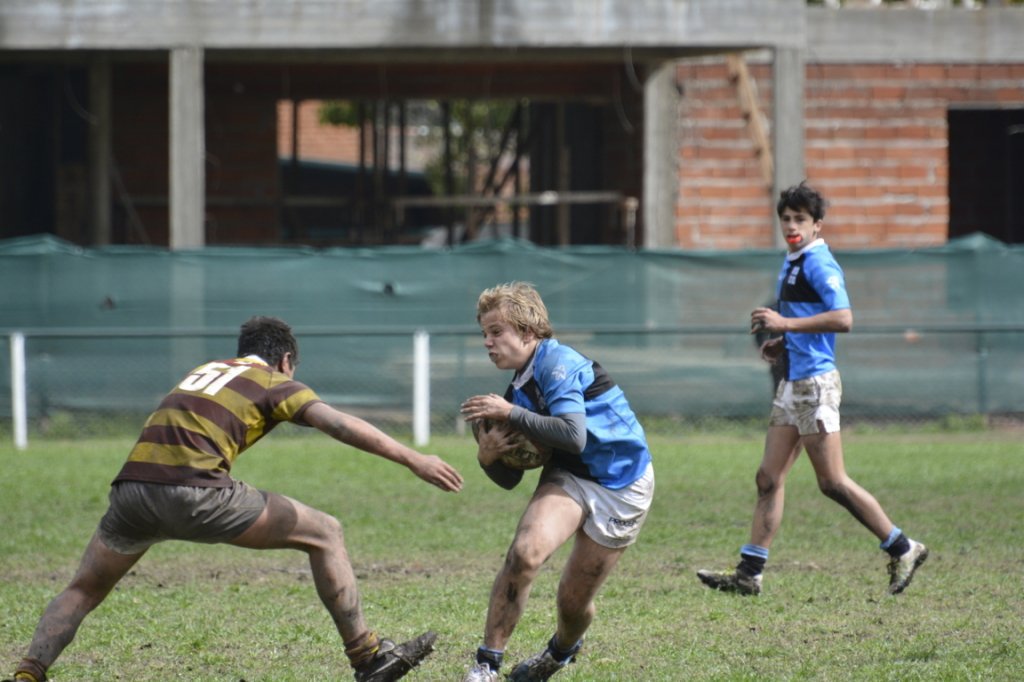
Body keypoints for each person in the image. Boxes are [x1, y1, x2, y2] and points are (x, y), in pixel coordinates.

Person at [4, 316, 464, 682]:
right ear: (286, 360)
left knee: (83, 587)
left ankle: (29, 671)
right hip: (194, 491)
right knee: (325, 533)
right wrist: (412, 458)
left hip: (132, 491)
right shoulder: (270, 380)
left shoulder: (205, 370)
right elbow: (336, 422)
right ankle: (367, 658)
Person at [697, 182, 928, 597]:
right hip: (793, 381)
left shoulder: (819, 263)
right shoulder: (793, 260)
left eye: (800, 219)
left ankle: (904, 546)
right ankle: (750, 574)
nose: (791, 225)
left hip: (816, 384)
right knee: (768, 478)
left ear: (816, 225)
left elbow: (843, 319)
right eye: (786, 218)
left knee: (832, 482)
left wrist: (784, 325)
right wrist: (783, 342)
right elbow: (811, 319)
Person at [459, 282, 655, 682]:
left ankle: (561, 651)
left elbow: (572, 434)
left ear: (528, 333)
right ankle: (486, 665)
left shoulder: (557, 363)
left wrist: (511, 413)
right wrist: (487, 456)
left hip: (623, 482)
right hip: (570, 474)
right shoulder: (515, 389)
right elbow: (510, 480)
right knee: (524, 554)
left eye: (497, 332)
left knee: (572, 601)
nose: (488, 342)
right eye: (484, 334)